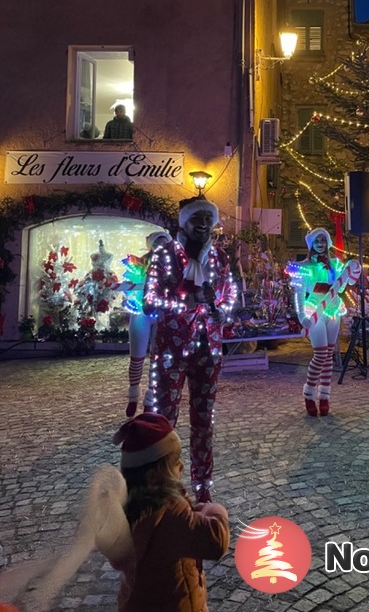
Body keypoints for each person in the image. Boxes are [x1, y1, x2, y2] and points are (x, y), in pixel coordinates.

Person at [143, 198, 237, 502]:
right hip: (171, 348)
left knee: (203, 419)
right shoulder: (164, 255)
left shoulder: (220, 259)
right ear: (182, 221)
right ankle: (161, 485)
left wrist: (221, 310)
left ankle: (202, 486)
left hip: (208, 349)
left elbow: (230, 295)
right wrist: (187, 304)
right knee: (162, 419)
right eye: (196, 217)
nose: (203, 224)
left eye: (208, 218)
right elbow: (149, 302)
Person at [111, 413, 230, 612]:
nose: (182, 466)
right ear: (154, 477)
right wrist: (211, 508)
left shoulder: (124, 510)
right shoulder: (170, 513)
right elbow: (216, 540)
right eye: (176, 463)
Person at [287, 228, 360, 417]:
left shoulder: (335, 264)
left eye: (323, 240)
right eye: (317, 241)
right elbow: (299, 294)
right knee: (320, 354)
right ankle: (309, 393)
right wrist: (301, 315)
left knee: (328, 355)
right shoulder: (304, 267)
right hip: (314, 312)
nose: (321, 243)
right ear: (311, 244)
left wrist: (353, 269)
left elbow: (343, 286)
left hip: (333, 311)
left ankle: (325, 396)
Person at [122, 231, 172, 418]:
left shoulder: (173, 264)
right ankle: (133, 396)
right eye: (157, 243)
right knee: (137, 357)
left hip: (162, 313)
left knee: (156, 359)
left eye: (164, 243)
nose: (160, 247)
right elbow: (130, 283)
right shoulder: (141, 264)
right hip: (141, 312)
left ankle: (150, 400)